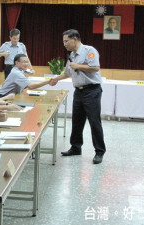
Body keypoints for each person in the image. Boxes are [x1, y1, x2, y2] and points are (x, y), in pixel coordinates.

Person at [50, 29, 106, 164]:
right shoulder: (72, 56)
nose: (64, 44)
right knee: (77, 121)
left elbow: (96, 67)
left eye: (66, 41)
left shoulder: (89, 51)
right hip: (78, 92)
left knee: (94, 121)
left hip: (92, 91)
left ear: (75, 39)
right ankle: (76, 147)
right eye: (63, 41)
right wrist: (56, 79)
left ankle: (99, 151)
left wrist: (78, 66)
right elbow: (67, 72)